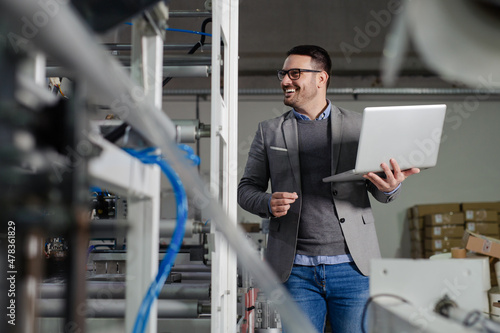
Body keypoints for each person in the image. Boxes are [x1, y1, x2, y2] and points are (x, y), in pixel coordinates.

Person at [237, 45, 420, 333]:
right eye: (283, 74)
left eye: (294, 73)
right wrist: (267, 202)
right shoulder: (269, 131)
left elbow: (382, 191)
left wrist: (391, 187)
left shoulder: (360, 127)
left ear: (321, 78)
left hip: (353, 268)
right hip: (293, 270)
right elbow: (246, 189)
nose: (285, 81)